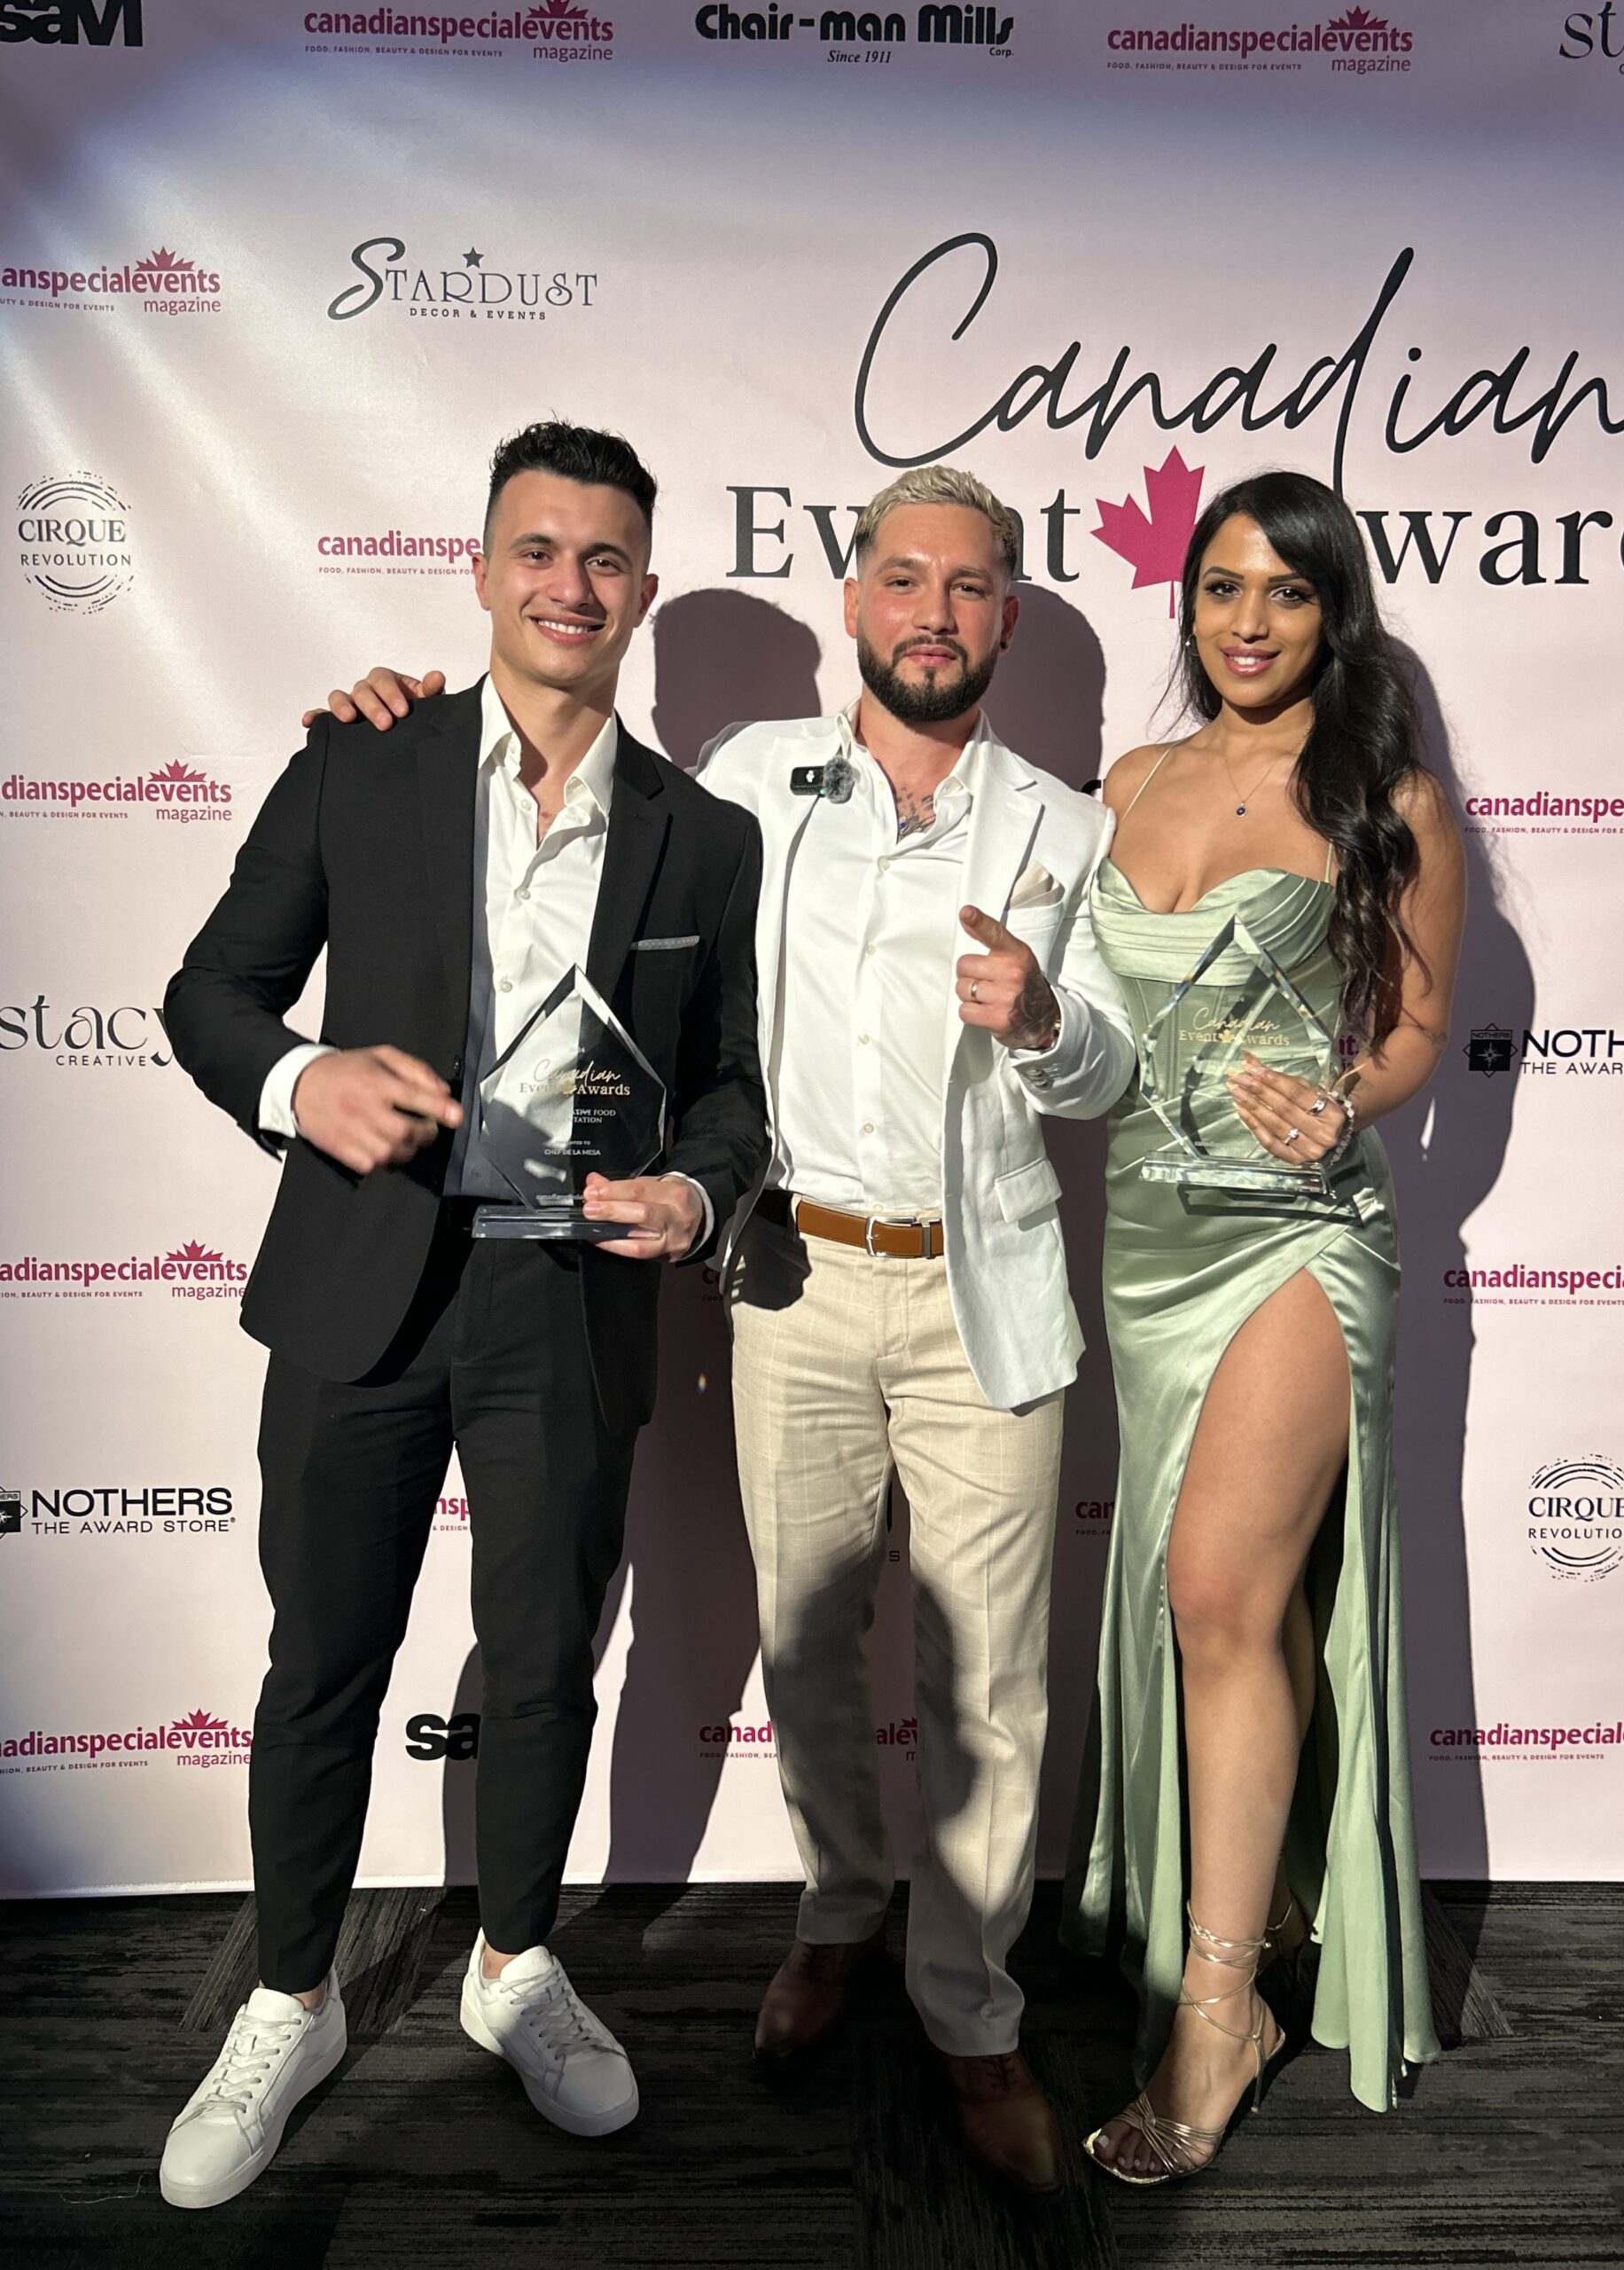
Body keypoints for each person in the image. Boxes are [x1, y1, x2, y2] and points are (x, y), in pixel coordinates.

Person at [308, 463, 1136, 2194]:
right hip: (790, 1280)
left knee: (995, 1684)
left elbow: (1109, 1070)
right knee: (805, 1646)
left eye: (967, 586)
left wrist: (1048, 1018)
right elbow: (574, 812)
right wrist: (398, 722)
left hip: (985, 1296)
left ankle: (972, 2011)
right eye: (901, 577)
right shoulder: (747, 779)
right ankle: (837, 1914)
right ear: (854, 599)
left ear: (1005, 615)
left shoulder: (1065, 822)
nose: (931, 612)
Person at [156, 422, 764, 2211]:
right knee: (320, 1659)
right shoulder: (361, 761)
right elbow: (211, 990)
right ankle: (288, 1996)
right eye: (538, 550)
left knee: (545, 1659)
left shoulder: (704, 836)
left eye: (604, 558)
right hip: (359, 1282)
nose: (570, 584)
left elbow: (730, 1085)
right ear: (483, 569)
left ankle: (515, 1962)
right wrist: (301, 1084)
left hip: (566, 1296)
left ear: (641, 589)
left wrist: (697, 1190)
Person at [1064, 470, 1460, 2183]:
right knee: (1231, 1609)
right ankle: (1266, 1903)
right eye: (1221, 587)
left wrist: (1342, 1100)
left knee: (1218, 1594)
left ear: (1330, 613)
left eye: (1285, 592)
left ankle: (1219, 2008)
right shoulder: (1125, 783)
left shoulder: (1389, 799)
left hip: (1299, 1233)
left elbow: (1416, 1032)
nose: (1247, 621)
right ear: (1187, 604)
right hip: (1143, 1239)